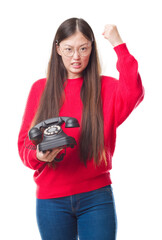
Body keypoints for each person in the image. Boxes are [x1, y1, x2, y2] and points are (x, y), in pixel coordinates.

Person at [18, 18, 144, 240]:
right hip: (51, 199)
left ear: (91, 49)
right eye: (69, 49)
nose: (76, 57)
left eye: (83, 48)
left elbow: (134, 91)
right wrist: (39, 156)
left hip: (97, 197)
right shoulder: (40, 89)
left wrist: (118, 44)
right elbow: (24, 146)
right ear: (58, 49)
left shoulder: (106, 87)